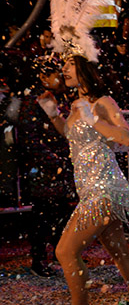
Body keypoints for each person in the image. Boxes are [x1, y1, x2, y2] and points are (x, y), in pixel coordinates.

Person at [37, 0, 129, 305]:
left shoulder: (101, 101)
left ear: (82, 65)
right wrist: (55, 115)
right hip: (91, 189)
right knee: (116, 248)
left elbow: (126, 138)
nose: (63, 68)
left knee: (65, 252)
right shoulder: (78, 104)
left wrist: (94, 118)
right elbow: (75, 139)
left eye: (68, 63)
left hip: (103, 191)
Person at [11, 56, 77, 277]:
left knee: (59, 213)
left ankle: (61, 255)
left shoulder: (58, 98)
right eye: (56, 74)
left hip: (57, 165)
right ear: (44, 77)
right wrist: (55, 162)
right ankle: (40, 259)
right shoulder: (34, 102)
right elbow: (31, 140)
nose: (60, 77)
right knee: (42, 216)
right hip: (42, 169)